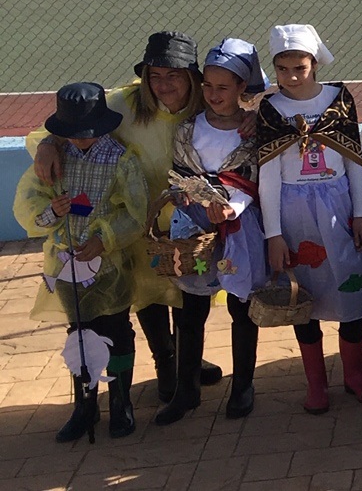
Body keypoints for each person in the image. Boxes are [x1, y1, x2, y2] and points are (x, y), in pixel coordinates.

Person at [32, 31, 217, 405]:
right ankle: (166, 362)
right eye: (155, 76)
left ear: (193, 77)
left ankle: (187, 363)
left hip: (190, 225)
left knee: (192, 297)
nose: (163, 84)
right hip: (135, 224)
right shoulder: (124, 105)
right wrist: (49, 144)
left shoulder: (208, 105)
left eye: (174, 75)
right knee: (149, 296)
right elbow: (68, 123)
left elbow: (245, 109)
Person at [13, 83, 148, 441]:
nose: (79, 141)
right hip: (66, 263)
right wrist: (49, 213)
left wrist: (104, 239)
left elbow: (134, 212)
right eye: (71, 135)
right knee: (79, 332)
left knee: (116, 329)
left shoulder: (122, 159)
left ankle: (121, 402)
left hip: (109, 265)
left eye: (85, 134)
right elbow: (30, 203)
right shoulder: (57, 158)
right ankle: (84, 404)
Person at [257, 25, 362, 414]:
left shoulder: (338, 100)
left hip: (338, 207)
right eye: (283, 68)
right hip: (295, 215)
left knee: (351, 292)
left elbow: (354, 161)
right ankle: (315, 384)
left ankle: (355, 374)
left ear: (314, 65)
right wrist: (274, 234)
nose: (292, 77)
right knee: (301, 296)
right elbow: (269, 176)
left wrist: (361, 212)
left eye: (301, 68)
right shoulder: (271, 110)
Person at [155, 39, 270, 424]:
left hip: (239, 228)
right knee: (190, 313)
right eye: (208, 86)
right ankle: (186, 390)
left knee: (242, 308)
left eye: (224, 87)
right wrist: (199, 203)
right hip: (194, 230)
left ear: (242, 88)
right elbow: (180, 175)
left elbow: (255, 178)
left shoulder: (255, 131)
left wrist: (230, 207)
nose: (213, 95)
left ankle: (243, 387)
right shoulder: (188, 129)